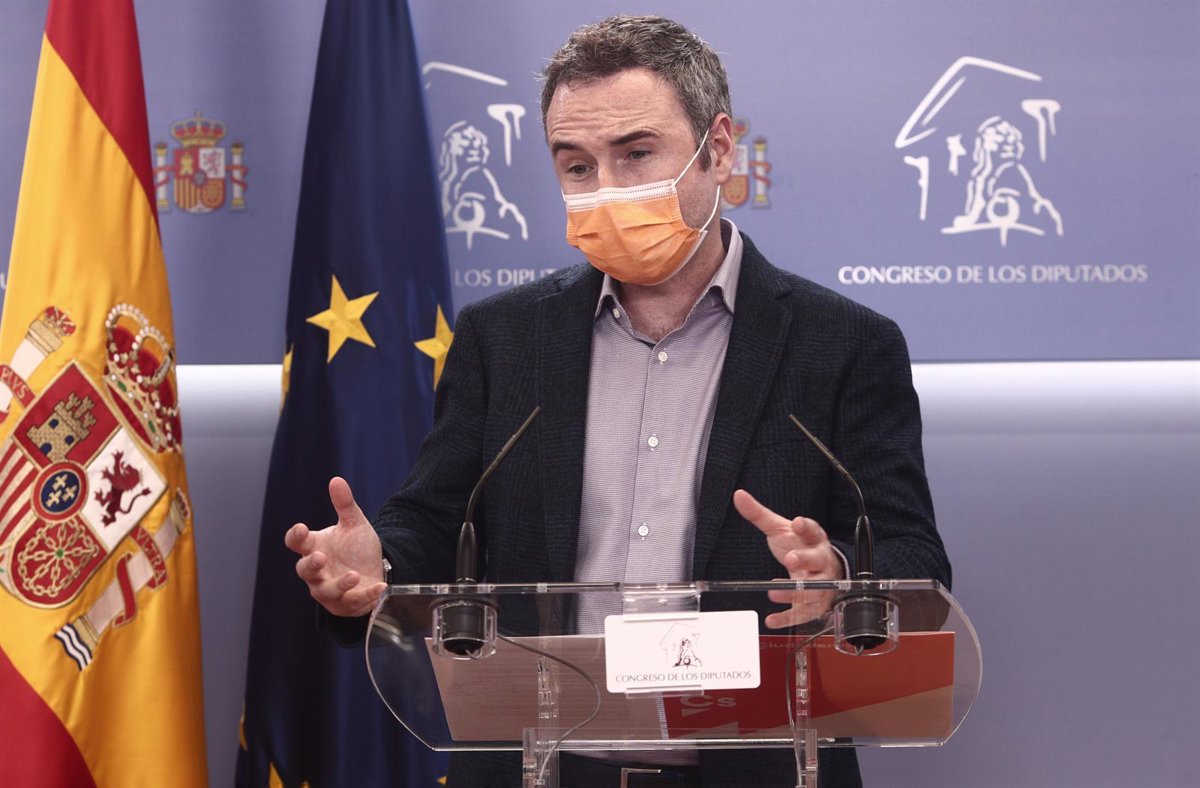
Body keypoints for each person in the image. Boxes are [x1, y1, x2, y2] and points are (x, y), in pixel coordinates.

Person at [285, 14, 949, 787]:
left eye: (636, 154)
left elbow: (914, 559)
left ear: (719, 149)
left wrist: (839, 573)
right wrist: (382, 562)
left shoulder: (844, 344)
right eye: (577, 165)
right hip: (539, 767)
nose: (606, 189)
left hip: (756, 768)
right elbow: (438, 519)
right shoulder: (503, 338)